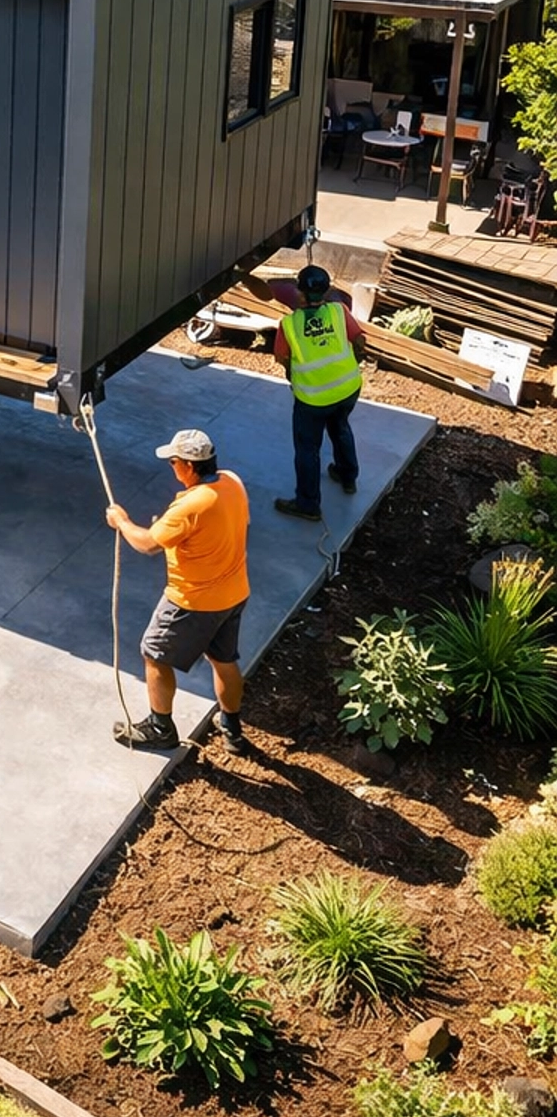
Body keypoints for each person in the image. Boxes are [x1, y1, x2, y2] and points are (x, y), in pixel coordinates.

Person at [104, 427, 250, 753]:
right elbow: (214, 527)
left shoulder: (191, 505)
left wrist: (122, 522)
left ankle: (160, 729)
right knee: (223, 659)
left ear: (188, 466)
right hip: (234, 593)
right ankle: (232, 728)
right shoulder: (232, 482)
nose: (172, 467)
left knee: (154, 653)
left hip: (193, 601)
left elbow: (147, 544)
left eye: (173, 462)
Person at [273, 261, 366, 522]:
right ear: (326, 291)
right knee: (340, 428)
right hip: (348, 388)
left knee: (307, 449)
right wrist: (352, 361)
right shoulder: (339, 311)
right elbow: (360, 340)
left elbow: (282, 357)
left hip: (312, 398)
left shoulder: (289, 325)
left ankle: (308, 504)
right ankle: (347, 477)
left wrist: (292, 373)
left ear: (300, 293)